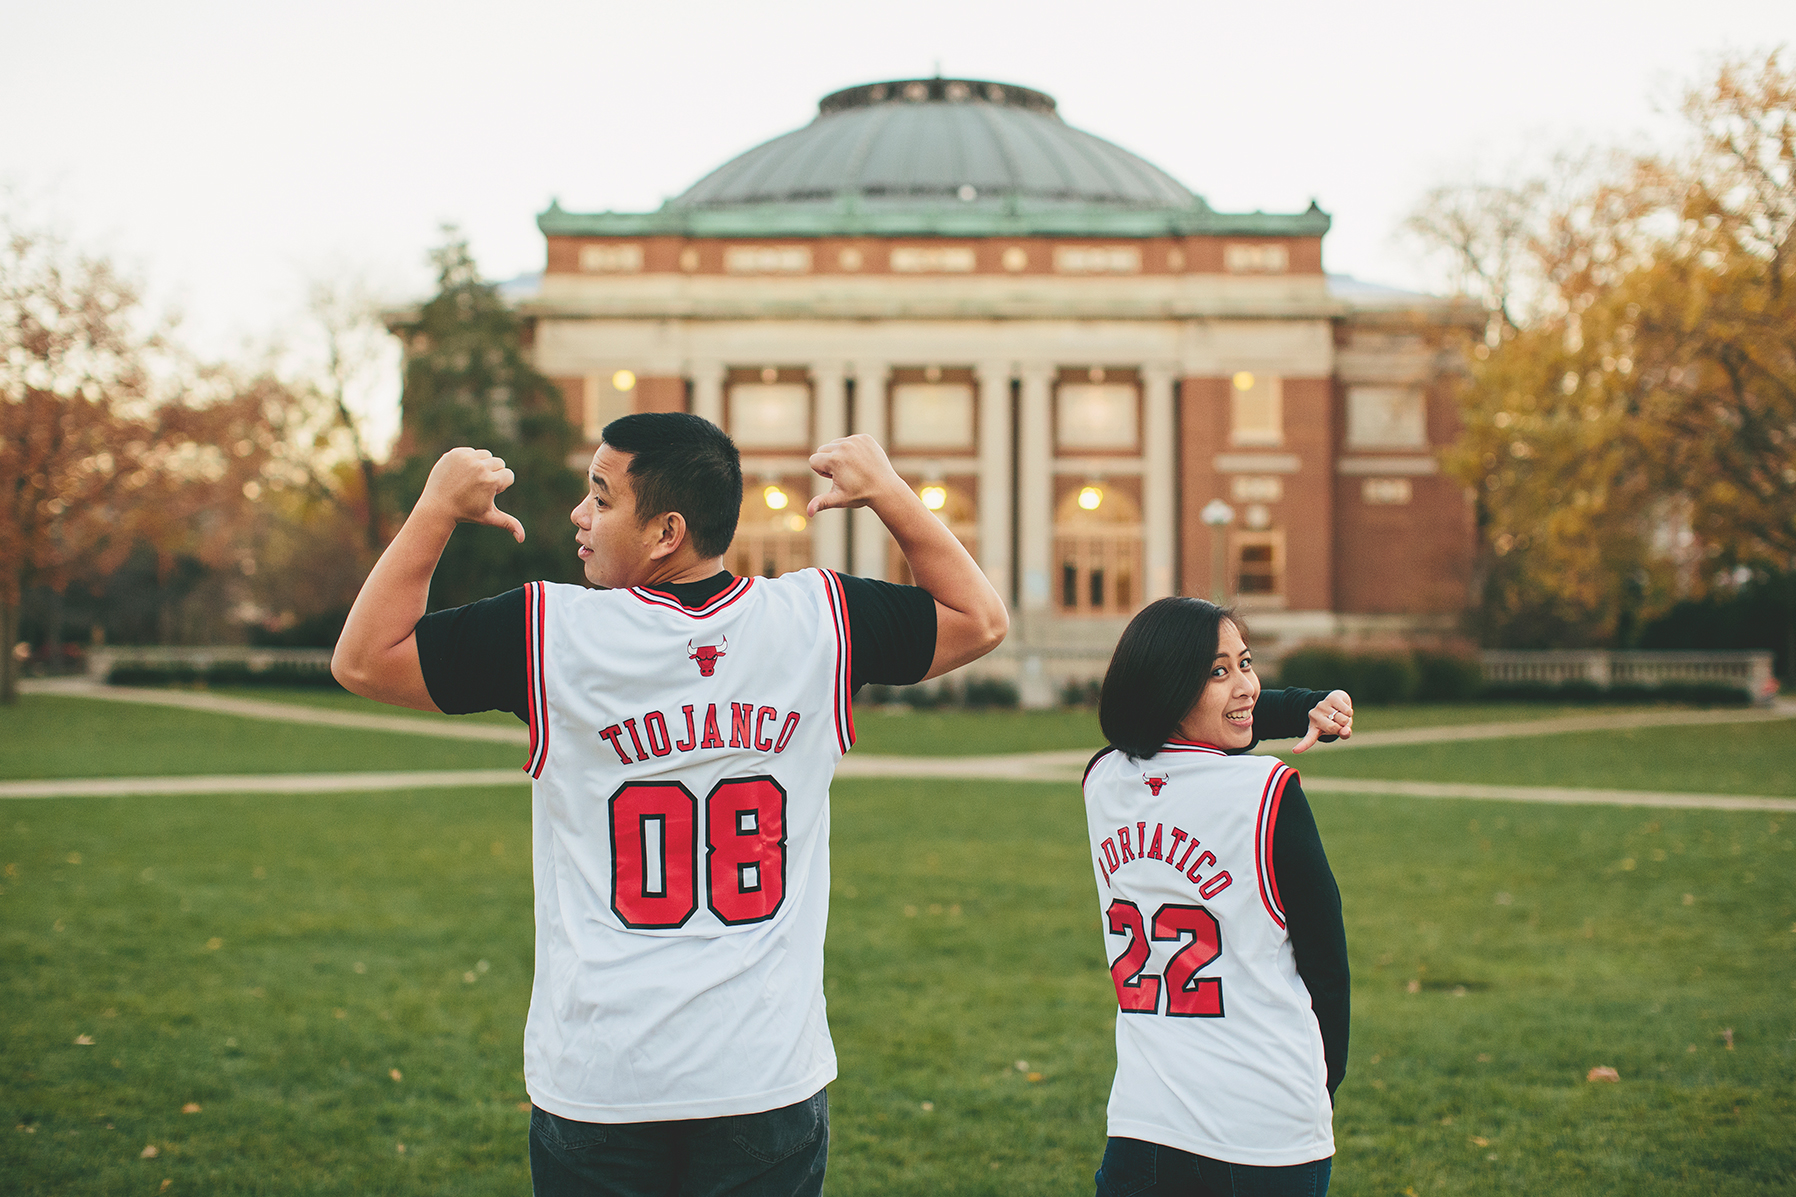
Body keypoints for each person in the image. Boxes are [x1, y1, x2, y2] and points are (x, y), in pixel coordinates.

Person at [330, 413, 1007, 1196]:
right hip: (762, 1073)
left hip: (603, 1075)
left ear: (666, 532)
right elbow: (981, 619)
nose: (580, 515)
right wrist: (889, 491)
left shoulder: (550, 631)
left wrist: (436, 507)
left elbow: (363, 659)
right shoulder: (818, 619)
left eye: (601, 498)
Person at [1081, 597, 1353, 1197]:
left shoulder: (1103, 781)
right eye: (1217, 671)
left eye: (1245, 663)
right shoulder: (1267, 791)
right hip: (1267, 1126)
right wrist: (1322, 1083)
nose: (1247, 687)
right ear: (1169, 687)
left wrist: (1296, 706)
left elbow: (1174, 734)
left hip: (1144, 1127)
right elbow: (1327, 967)